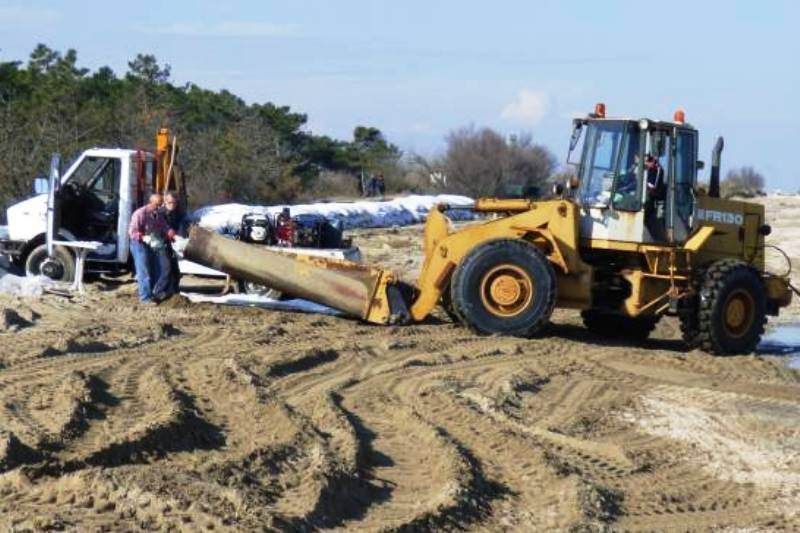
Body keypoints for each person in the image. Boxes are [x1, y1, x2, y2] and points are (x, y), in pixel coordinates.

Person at [128, 193, 175, 304]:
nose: (159, 208)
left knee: (159, 268)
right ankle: (145, 298)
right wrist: (143, 237)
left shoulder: (157, 214)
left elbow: (164, 226)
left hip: (150, 243)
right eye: (157, 205)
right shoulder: (139, 214)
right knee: (144, 270)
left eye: (160, 205)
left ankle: (154, 293)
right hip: (138, 243)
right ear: (151, 203)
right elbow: (132, 232)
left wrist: (171, 233)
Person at [162, 192, 189, 294]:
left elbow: (182, 226)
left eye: (174, 203)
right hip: (162, 244)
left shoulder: (178, 213)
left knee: (175, 270)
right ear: (165, 202)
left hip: (173, 244)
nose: (172, 205)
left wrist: (180, 239)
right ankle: (163, 291)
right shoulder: (161, 214)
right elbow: (162, 228)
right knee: (166, 269)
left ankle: (174, 291)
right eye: (170, 202)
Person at [644, 155, 666, 240]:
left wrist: (645, 183)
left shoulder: (658, 170)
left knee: (648, 210)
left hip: (654, 196)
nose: (646, 163)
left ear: (653, 161)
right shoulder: (648, 169)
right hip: (648, 194)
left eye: (648, 161)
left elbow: (654, 186)